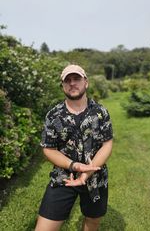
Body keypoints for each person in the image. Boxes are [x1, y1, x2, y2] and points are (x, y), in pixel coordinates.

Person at [35, 64, 113, 231]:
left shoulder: (101, 112)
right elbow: (49, 149)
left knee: (92, 222)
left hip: (95, 178)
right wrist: (75, 166)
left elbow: (107, 144)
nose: (72, 83)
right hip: (63, 177)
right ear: (63, 85)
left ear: (86, 82)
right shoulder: (53, 115)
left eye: (76, 78)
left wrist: (86, 173)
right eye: (67, 80)